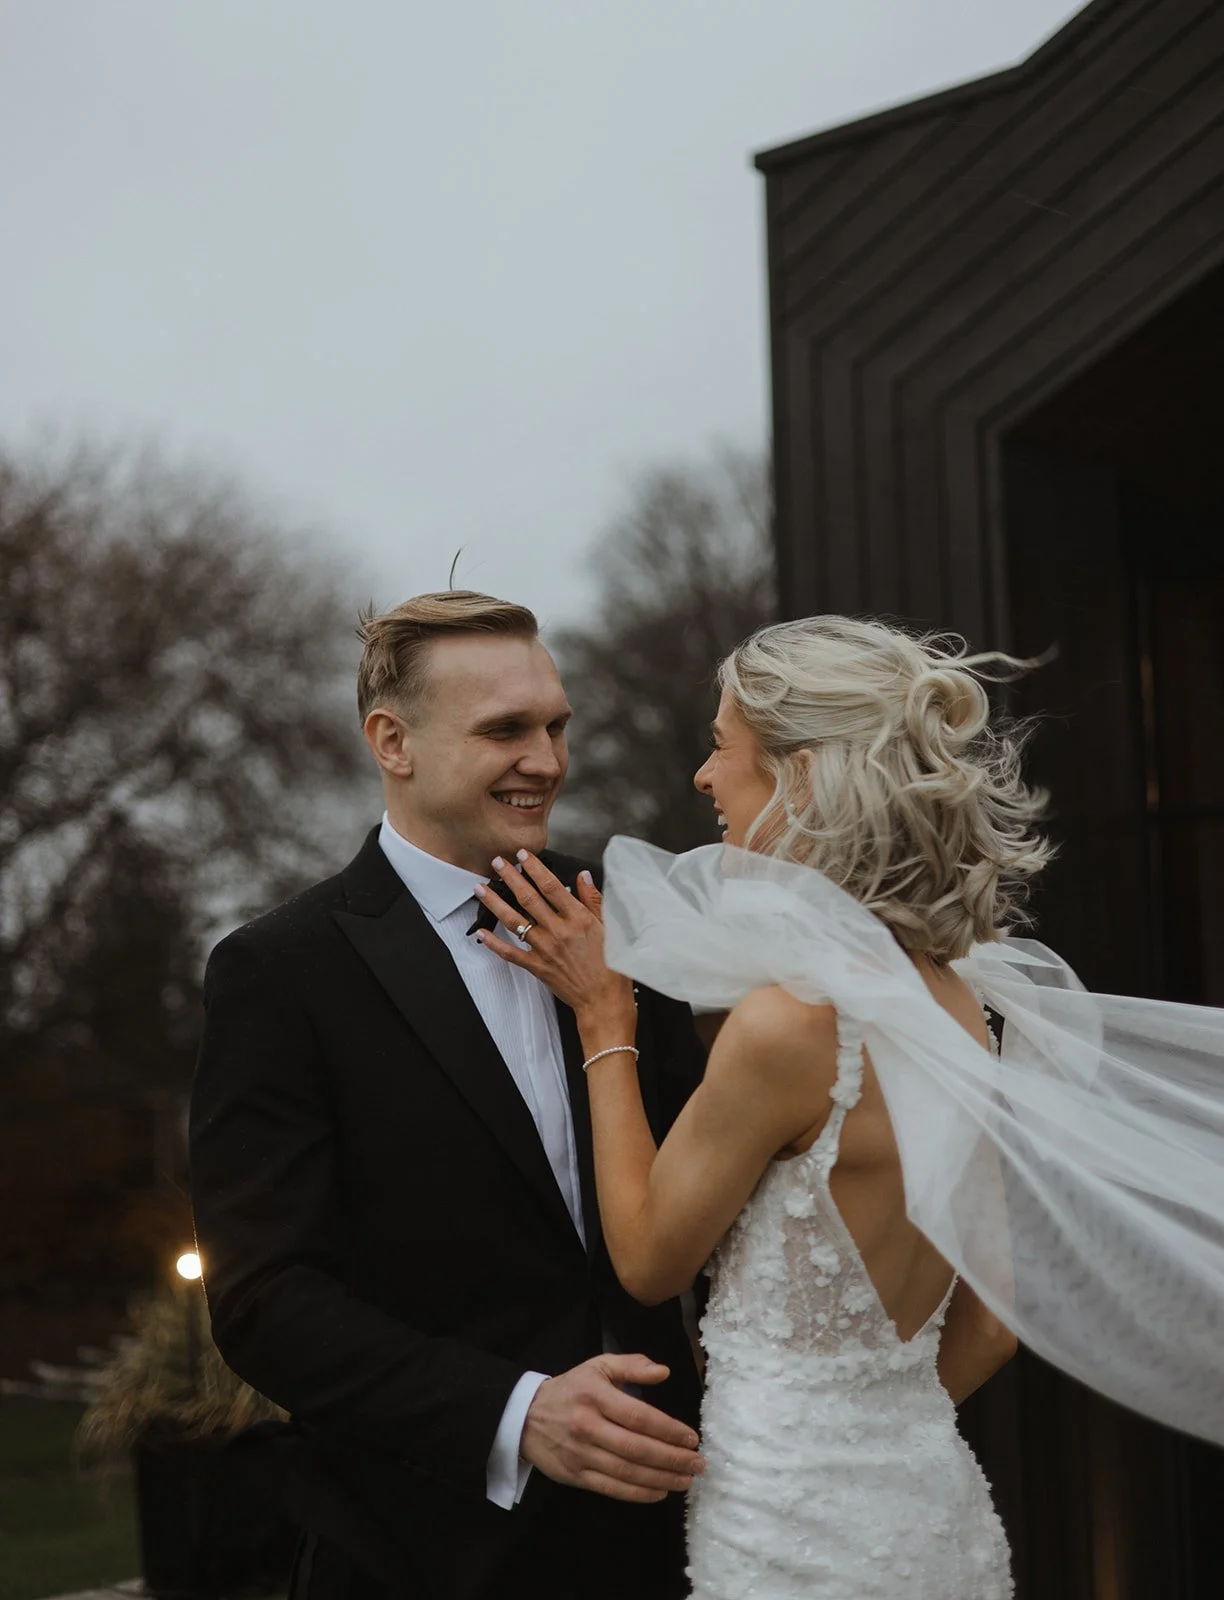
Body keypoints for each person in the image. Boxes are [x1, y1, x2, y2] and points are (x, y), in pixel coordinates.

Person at [477, 614, 1224, 1599]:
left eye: (720, 746)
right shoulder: (962, 996)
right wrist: (875, 1430)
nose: (704, 776)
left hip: (794, 1529)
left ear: (798, 777)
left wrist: (603, 1023)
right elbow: (993, 1324)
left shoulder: (789, 1027)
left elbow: (652, 1258)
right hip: (931, 1502)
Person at [189, 591, 706, 1600]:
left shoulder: (630, 918)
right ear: (394, 741)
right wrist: (518, 1414)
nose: (547, 760)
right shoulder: (280, 972)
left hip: (673, 1533)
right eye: (506, 729)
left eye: (556, 725)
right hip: (422, 1550)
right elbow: (265, 1300)